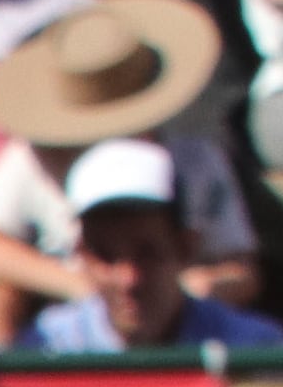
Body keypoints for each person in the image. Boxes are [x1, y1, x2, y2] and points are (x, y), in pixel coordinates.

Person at [0, 0, 245, 332]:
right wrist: (85, 284)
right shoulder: (32, 161)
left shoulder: (195, 159)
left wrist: (200, 289)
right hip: (71, 345)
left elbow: (242, 266)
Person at [16, 130, 283, 342]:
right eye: (106, 257)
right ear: (81, 255)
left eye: (148, 254)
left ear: (185, 247)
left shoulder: (257, 350)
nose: (129, 279)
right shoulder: (44, 352)